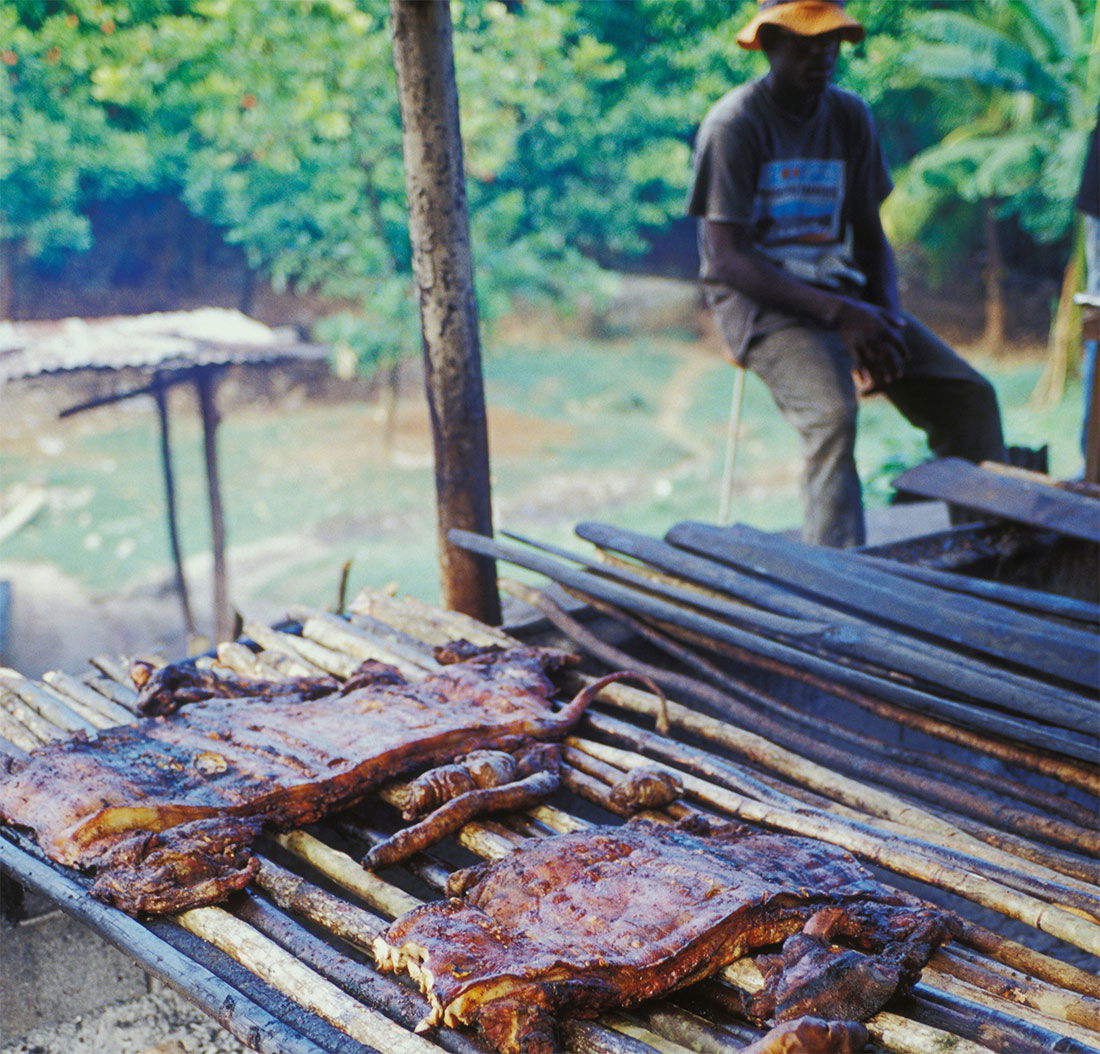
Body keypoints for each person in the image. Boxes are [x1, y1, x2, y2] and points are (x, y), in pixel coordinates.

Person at [688, 0, 1006, 547]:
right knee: (832, 416)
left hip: (843, 293)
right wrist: (840, 315)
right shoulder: (734, 124)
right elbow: (727, 258)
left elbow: (868, 229)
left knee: (968, 398)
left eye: (830, 41)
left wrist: (884, 317)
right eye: (804, 43)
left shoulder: (850, 115)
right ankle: (838, 580)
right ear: (767, 44)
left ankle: (992, 547)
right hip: (763, 305)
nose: (822, 55)